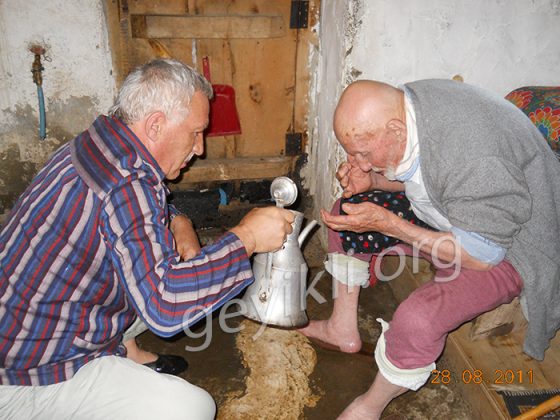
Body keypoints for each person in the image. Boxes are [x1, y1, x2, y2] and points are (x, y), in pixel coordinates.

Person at [0, 58, 294, 419]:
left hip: (24, 323)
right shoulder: (127, 184)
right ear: (155, 125)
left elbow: (131, 213)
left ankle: (128, 351)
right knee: (191, 408)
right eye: (195, 132)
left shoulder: (101, 142)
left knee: (154, 266)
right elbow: (166, 307)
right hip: (26, 372)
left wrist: (178, 221)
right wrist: (246, 238)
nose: (200, 148)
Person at [300, 79, 560, 419]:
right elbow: (431, 177)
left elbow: (482, 255)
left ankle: (369, 407)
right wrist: (374, 182)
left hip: (511, 247)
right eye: (352, 154)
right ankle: (341, 327)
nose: (358, 163)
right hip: (459, 214)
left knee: (419, 319)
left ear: (395, 130)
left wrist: (390, 225)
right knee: (346, 214)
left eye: (363, 153)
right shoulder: (412, 107)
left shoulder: (475, 158)